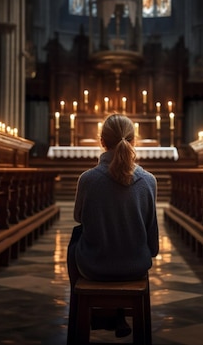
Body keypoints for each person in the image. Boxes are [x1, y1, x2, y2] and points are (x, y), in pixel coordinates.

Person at [67, 113, 159, 338]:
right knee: (121, 239)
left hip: (94, 267)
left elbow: (78, 217)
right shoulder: (149, 181)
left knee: (76, 239)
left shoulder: (87, 179)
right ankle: (115, 316)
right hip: (135, 266)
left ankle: (93, 318)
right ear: (133, 141)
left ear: (102, 142)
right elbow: (153, 242)